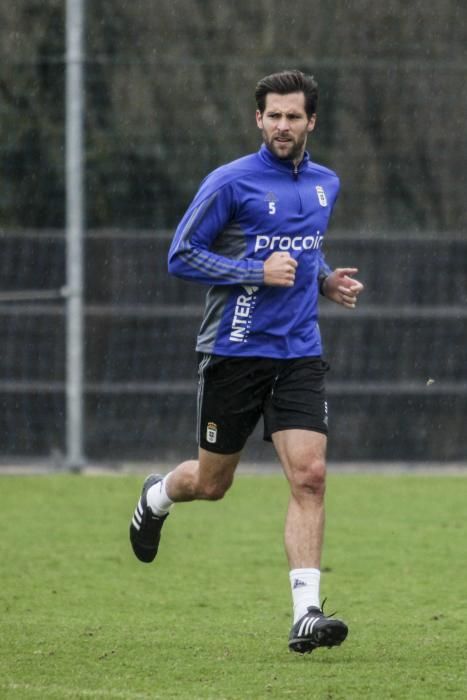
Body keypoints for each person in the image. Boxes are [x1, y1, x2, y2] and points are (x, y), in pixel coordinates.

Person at [129, 69, 364, 654]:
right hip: (233, 352)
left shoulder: (325, 183)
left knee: (310, 477)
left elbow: (302, 246)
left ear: (312, 121)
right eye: (273, 116)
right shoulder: (230, 182)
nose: (283, 126)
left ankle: (306, 613)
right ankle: (157, 495)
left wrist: (325, 279)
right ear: (258, 119)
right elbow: (182, 255)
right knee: (212, 484)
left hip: (299, 352)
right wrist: (253, 273)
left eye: (294, 116)